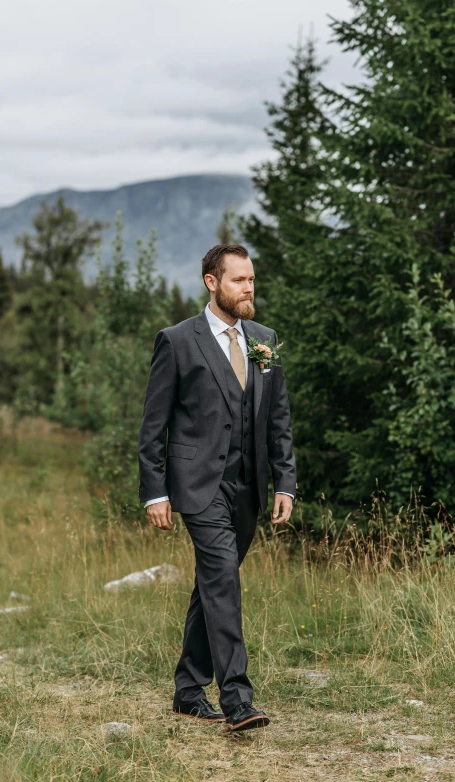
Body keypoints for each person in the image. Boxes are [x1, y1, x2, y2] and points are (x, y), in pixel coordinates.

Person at [138, 243, 297, 731]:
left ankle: (188, 688)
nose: (249, 288)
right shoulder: (178, 340)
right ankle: (237, 700)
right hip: (198, 485)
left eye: (251, 280)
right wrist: (155, 491)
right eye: (238, 281)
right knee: (224, 579)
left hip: (248, 487)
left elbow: (278, 419)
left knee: (212, 583)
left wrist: (285, 481)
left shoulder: (263, 339)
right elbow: (153, 424)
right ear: (212, 282)